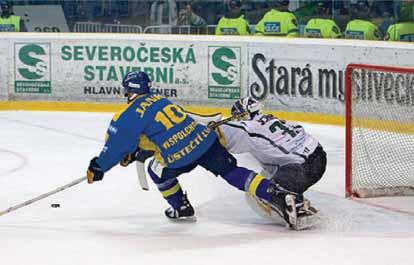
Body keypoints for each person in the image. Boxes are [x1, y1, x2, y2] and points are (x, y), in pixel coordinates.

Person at [86, 71, 308, 230]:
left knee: (156, 170)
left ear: (128, 91)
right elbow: (157, 132)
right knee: (232, 172)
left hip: (178, 155)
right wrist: (134, 152)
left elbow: (115, 147)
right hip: (205, 139)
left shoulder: (127, 114)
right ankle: (275, 194)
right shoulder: (160, 100)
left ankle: (180, 208)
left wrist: (98, 167)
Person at [214, 97, 326, 225]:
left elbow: (226, 133)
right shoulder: (274, 120)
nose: (237, 120)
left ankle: (296, 206)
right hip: (319, 157)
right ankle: (295, 198)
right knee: (266, 173)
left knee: (261, 192)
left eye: (237, 117)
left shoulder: (250, 127)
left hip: (299, 169)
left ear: (244, 115)